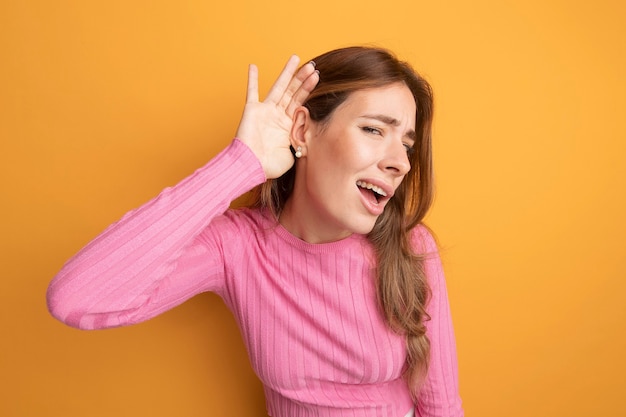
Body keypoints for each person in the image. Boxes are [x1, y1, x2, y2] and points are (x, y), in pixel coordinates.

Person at [47, 46, 463, 417]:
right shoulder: (238, 246)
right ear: (303, 131)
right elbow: (75, 298)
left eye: (406, 143)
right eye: (374, 129)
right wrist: (239, 164)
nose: (401, 163)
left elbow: (442, 405)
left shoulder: (411, 248)